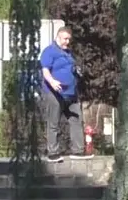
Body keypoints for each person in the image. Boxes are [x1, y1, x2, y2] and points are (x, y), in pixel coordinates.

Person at [38, 26, 91, 162]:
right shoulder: (50, 51)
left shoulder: (69, 54)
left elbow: (72, 68)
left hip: (71, 94)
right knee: (53, 122)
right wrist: (52, 81)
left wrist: (77, 72)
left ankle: (78, 151)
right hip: (54, 93)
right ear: (58, 37)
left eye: (69, 39)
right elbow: (45, 70)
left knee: (76, 120)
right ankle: (53, 152)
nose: (67, 42)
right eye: (65, 39)